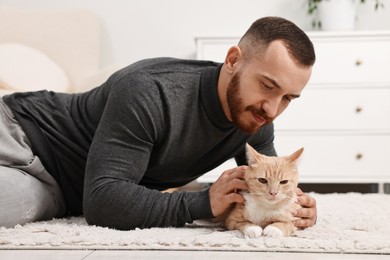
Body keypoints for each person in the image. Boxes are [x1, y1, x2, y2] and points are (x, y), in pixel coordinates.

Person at [0, 16, 317, 230]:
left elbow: (263, 191)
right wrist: (201, 203)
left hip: (58, 193)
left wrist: (295, 210)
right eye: (267, 86)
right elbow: (104, 199)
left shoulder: (256, 119)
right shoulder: (150, 90)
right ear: (233, 60)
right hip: (23, 130)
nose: (273, 109)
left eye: (288, 98)